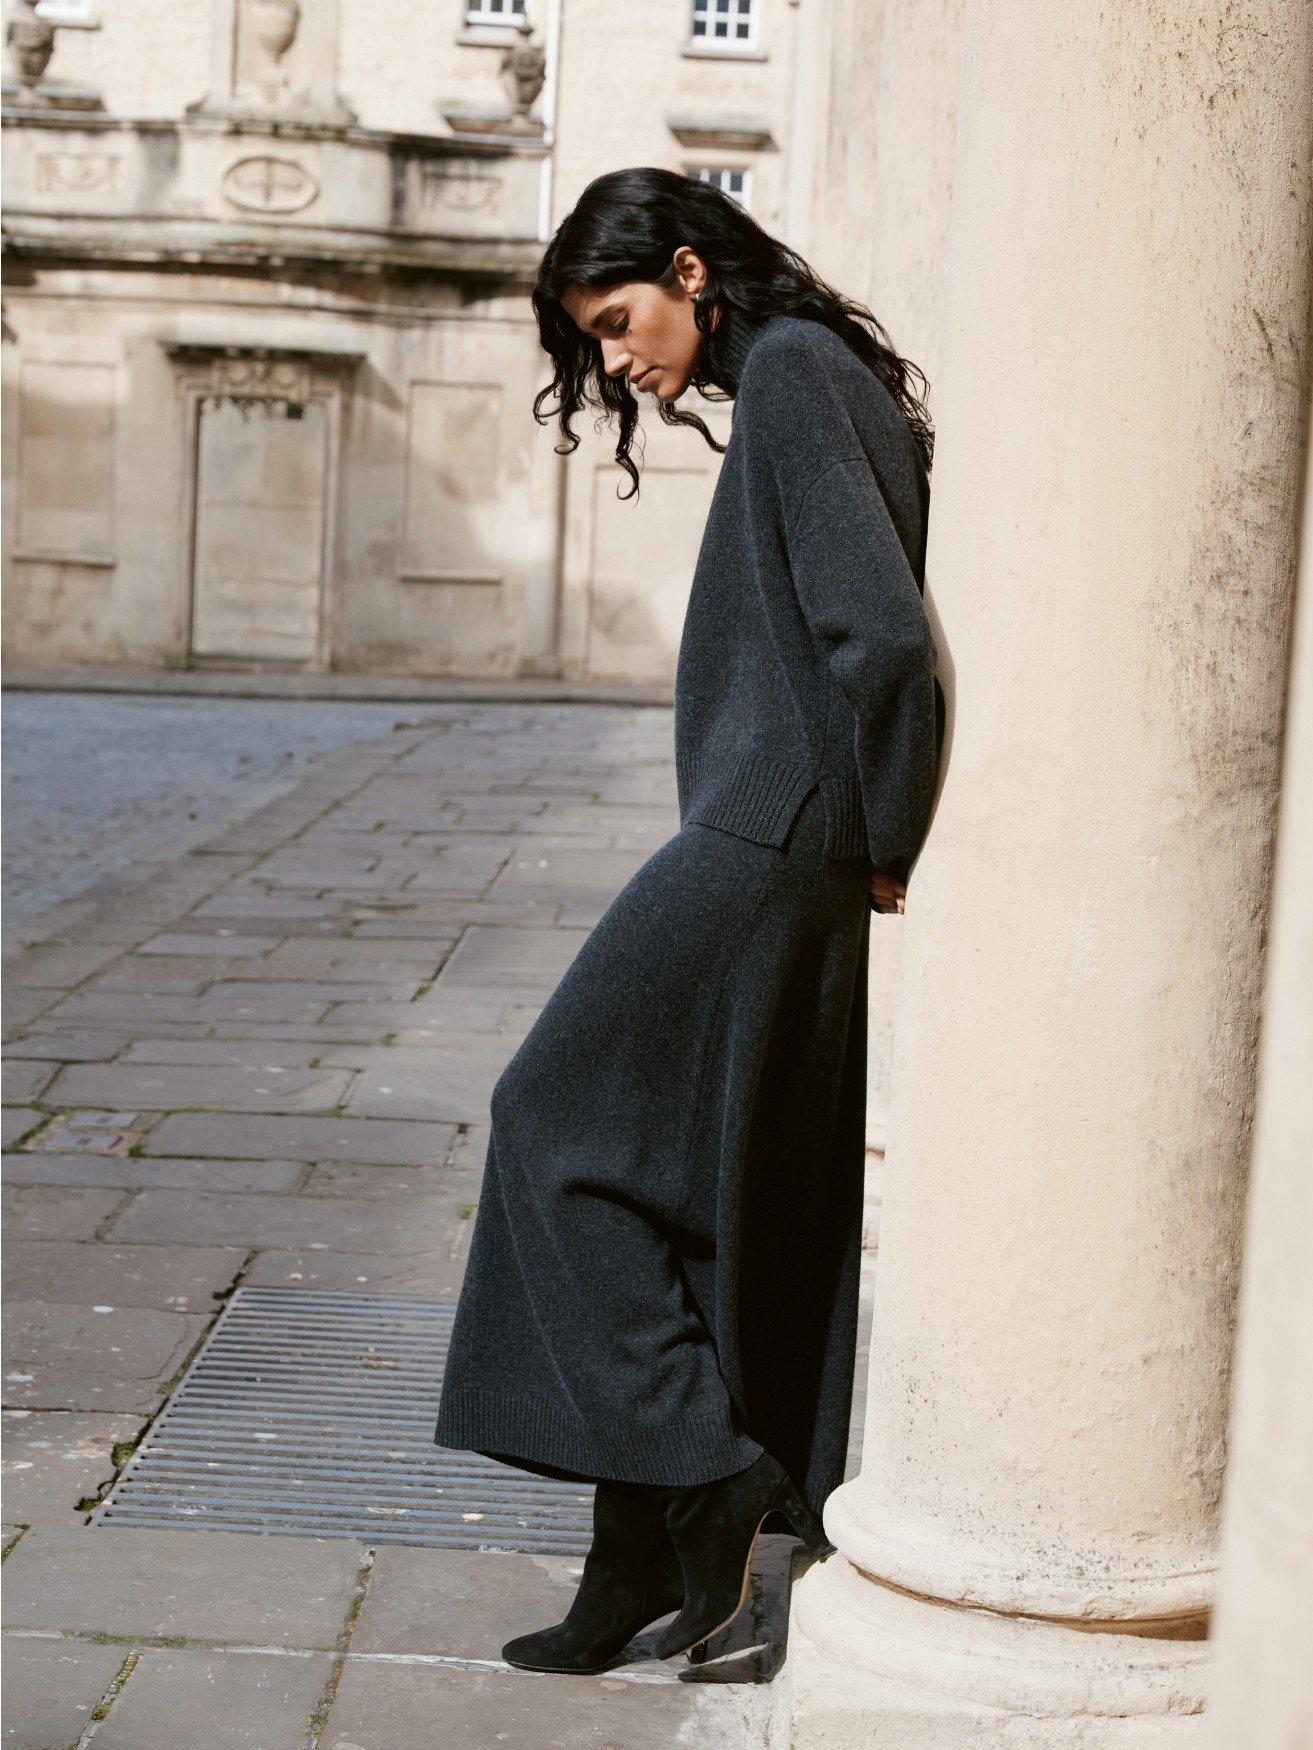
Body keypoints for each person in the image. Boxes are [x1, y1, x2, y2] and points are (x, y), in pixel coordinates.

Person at [432, 165, 944, 1674]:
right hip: (771, 829)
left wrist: (884, 832)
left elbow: (886, 642)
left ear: (687, 267)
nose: (615, 360)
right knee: (677, 1194)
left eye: (617, 321)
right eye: (592, 343)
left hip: (762, 835)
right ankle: (632, 1564)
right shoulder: (805, 370)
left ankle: (709, 1478)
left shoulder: (789, 370)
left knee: (548, 1122)